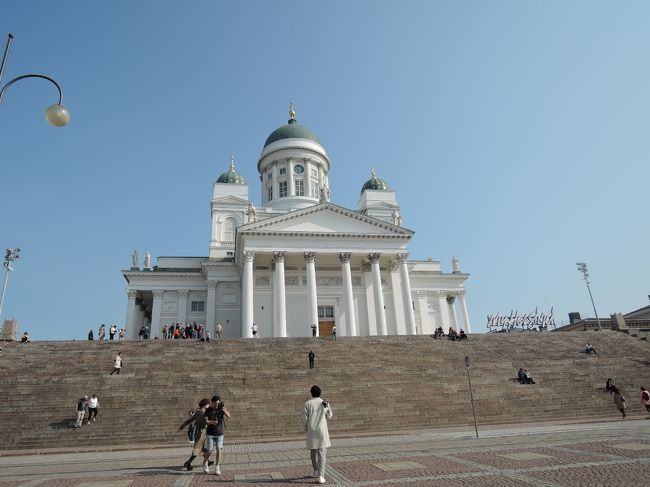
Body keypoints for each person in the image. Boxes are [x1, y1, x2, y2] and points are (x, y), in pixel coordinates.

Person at [302, 385, 333, 484]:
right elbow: (330, 416)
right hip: (322, 430)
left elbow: (304, 418)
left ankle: (316, 469)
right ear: (320, 393)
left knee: (313, 451)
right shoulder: (324, 402)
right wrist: (327, 408)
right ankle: (321, 475)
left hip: (312, 430)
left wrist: (306, 427)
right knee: (322, 453)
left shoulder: (307, 403)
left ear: (311, 393)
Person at [179, 398, 210, 471]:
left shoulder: (197, 412)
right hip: (202, 431)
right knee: (198, 448)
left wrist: (181, 427)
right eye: (208, 404)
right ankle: (188, 462)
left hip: (199, 431)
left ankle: (208, 461)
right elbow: (206, 422)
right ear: (205, 405)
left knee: (203, 448)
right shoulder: (204, 412)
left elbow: (190, 420)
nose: (209, 405)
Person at [205, 395, 231, 475]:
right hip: (210, 433)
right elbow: (206, 421)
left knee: (219, 449)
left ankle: (217, 467)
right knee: (209, 450)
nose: (217, 405)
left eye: (218, 403)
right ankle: (205, 462)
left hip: (220, 433)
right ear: (212, 402)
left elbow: (229, 416)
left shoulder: (221, 409)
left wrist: (225, 411)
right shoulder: (208, 410)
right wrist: (212, 422)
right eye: (215, 403)